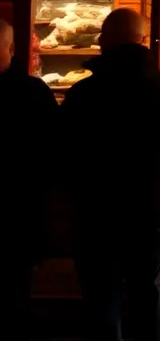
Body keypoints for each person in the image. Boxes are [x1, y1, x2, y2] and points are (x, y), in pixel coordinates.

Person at [62, 8, 160, 341]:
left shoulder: (83, 94)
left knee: (101, 295)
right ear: (143, 40)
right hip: (152, 208)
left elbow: (64, 151)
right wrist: (159, 173)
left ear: (103, 41)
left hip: (97, 210)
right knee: (148, 292)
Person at [0, 18, 60, 338]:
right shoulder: (32, 91)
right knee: (17, 283)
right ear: (11, 48)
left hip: (21, 204)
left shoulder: (32, 91)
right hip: (22, 203)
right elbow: (54, 147)